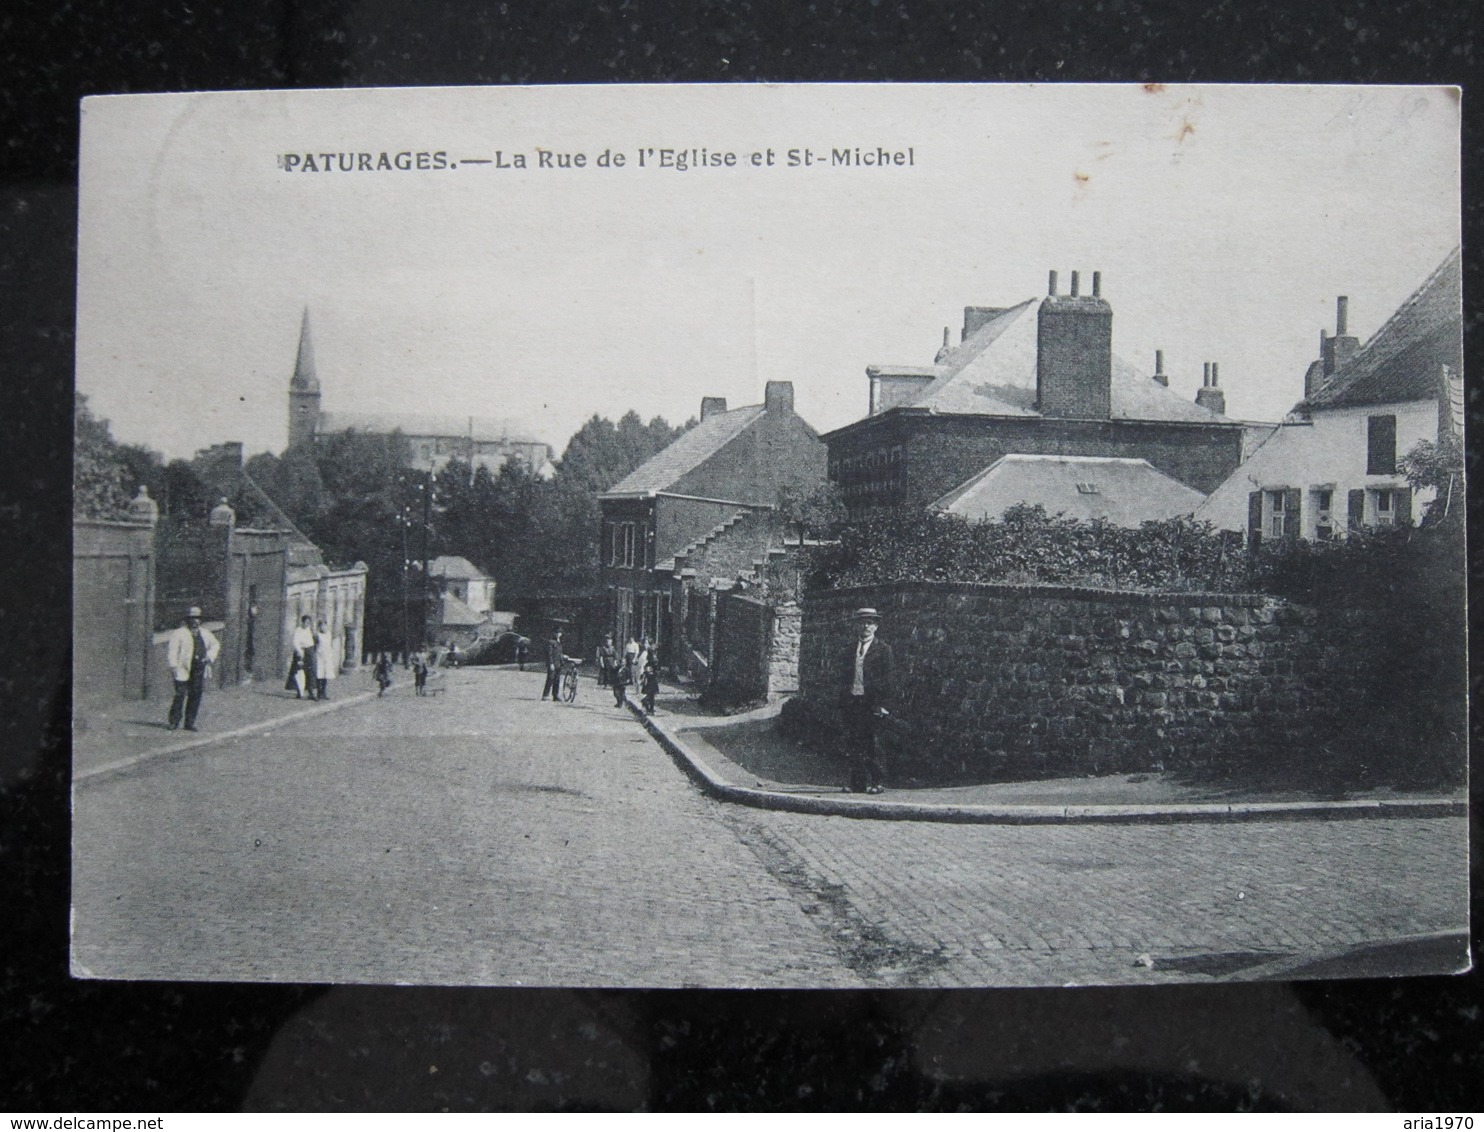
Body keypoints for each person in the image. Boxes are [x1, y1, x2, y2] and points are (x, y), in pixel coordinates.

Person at [840, 607, 894, 795]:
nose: (866, 626)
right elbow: (843, 676)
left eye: (870, 622)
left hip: (873, 702)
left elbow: (888, 679)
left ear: (876, 626)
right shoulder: (849, 649)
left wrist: (883, 705)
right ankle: (857, 783)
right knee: (854, 742)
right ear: (857, 625)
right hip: (854, 701)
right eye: (862, 622)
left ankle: (878, 782)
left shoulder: (883, 649)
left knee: (874, 743)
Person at [166, 605, 220, 731]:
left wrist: (209, 657)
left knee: (195, 694)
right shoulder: (179, 633)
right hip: (182, 668)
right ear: (188, 619)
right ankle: (174, 721)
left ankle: (189, 722)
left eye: (198, 618)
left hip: (199, 667)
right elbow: (172, 651)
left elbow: (215, 644)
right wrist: (173, 666)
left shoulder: (205, 633)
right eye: (193, 618)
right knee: (180, 694)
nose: (195, 621)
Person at [288, 614, 316, 699]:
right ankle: (299, 692)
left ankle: (311, 692)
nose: (307, 624)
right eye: (306, 622)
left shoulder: (308, 630)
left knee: (310, 672)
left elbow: (310, 641)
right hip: (301, 652)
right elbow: (296, 642)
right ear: (302, 622)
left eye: (309, 623)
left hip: (309, 652)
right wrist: (300, 652)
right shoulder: (298, 630)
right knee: (299, 672)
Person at [313, 619, 336, 701]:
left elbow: (330, 646)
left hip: (327, 657)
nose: (323, 627)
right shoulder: (317, 635)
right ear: (319, 627)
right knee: (319, 675)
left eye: (325, 625)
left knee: (326, 675)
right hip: (320, 657)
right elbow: (315, 646)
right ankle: (319, 693)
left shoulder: (329, 634)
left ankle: (324, 692)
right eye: (322, 626)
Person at [541, 627, 565, 702]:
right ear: (554, 633)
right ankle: (545, 695)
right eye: (557, 633)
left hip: (558, 663)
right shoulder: (550, 642)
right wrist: (551, 663)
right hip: (553, 663)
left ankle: (555, 695)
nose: (558, 634)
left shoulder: (559, 642)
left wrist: (563, 657)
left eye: (560, 633)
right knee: (550, 678)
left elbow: (559, 653)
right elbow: (549, 654)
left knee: (557, 680)